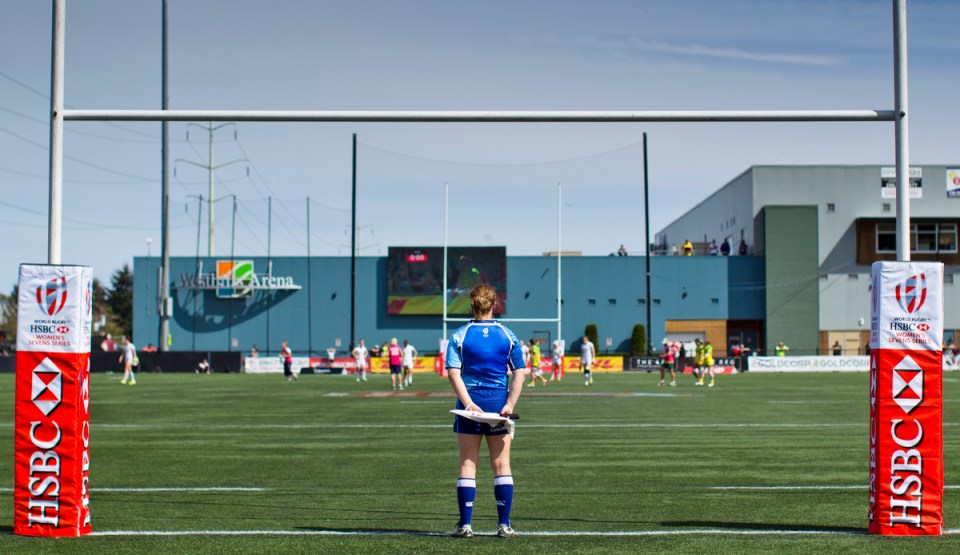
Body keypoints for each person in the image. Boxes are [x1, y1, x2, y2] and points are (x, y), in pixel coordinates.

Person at [446, 284, 525, 538]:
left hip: (470, 406)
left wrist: (468, 403)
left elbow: (453, 373)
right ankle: (504, 525)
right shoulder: (507, 334)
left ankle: (465, 525)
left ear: (472, 304)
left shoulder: (460, 334)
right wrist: (510, 404)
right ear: (494, 305)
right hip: (498, 405)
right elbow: (520, 373)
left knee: (468, 464)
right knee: (502, 465)